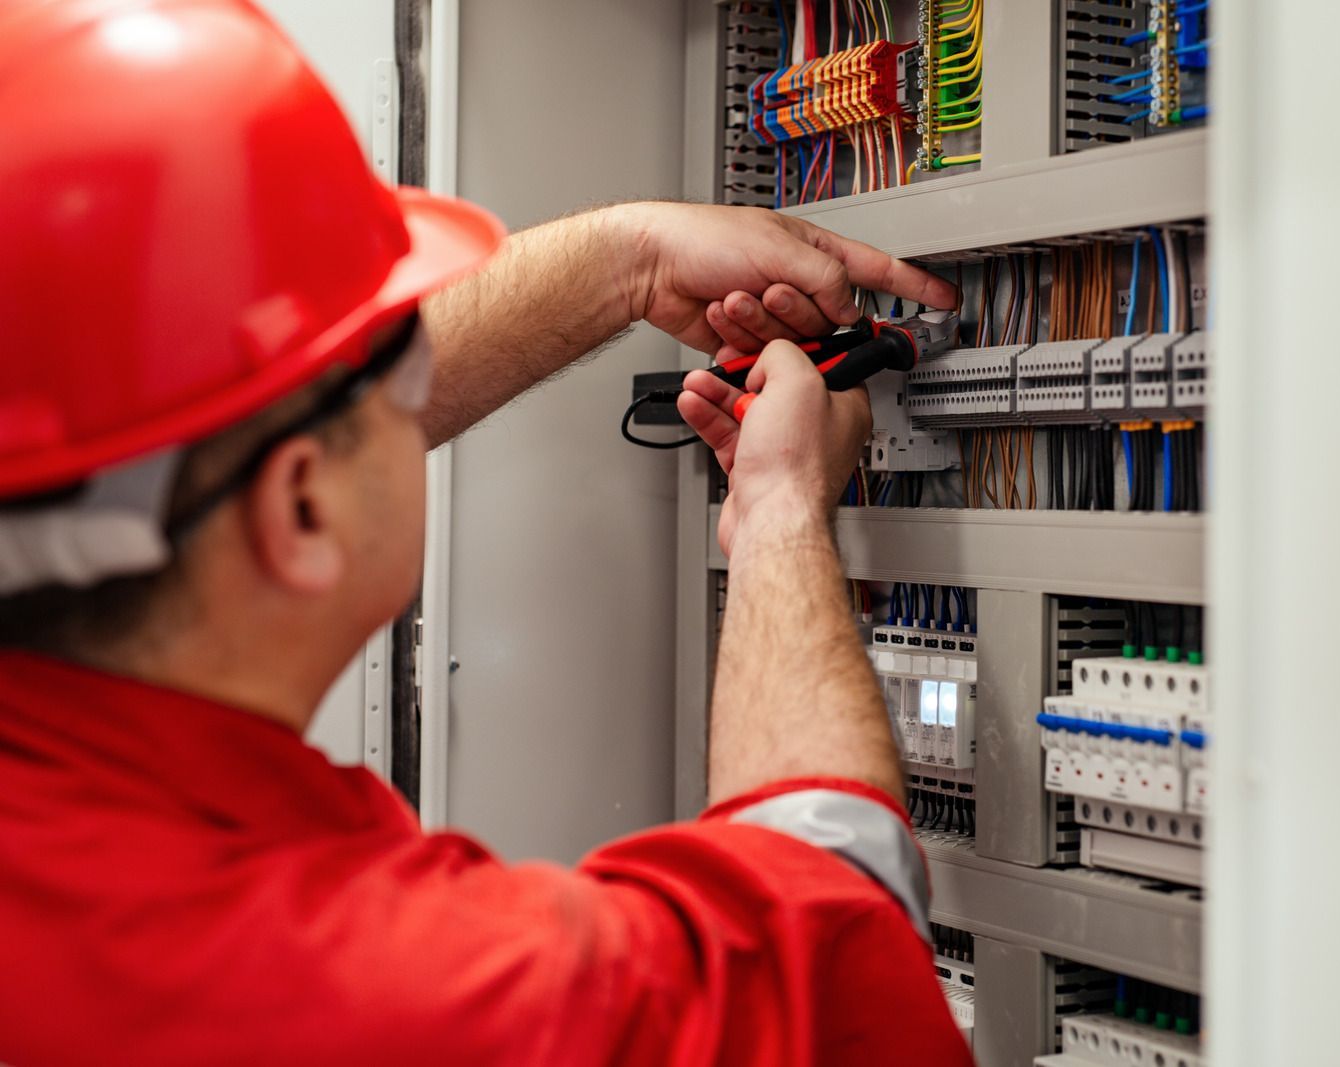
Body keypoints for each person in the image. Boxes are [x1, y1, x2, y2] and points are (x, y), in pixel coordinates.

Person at [0, 1, 974, 1064]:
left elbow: (196, 412)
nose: (423, 378)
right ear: (301, 505)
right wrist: (781, 509)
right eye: (400, 360)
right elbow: (837, 955)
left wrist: (633, 256)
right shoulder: (378, 990)